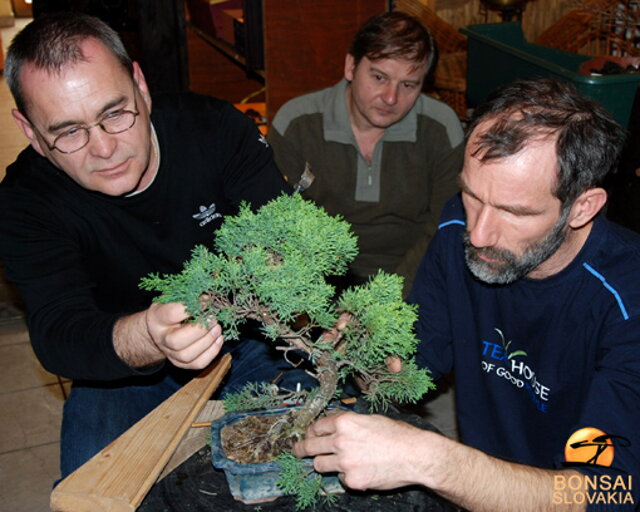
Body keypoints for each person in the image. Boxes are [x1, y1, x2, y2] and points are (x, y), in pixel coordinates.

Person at [294, 78, 640, 510]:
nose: (478, 234)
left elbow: (612, 492)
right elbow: (413, 372)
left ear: (583, 208)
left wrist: (431, 460)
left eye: (515, 212)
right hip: (472, 489)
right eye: (472, 195)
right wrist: (367, 349)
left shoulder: (627, 301)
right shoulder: (457, 224)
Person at [0, 12, 299, 481]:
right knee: (94, 489)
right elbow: (59, 334)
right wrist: (149, 335)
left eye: (114, 113)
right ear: (32, 133)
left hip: (252, 335)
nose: (103, 148)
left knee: (320, 456)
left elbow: (286, 237)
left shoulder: (216, 130)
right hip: (121, 369)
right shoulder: (26, 200)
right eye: (68, 132)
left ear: (140, 84)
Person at [267, 11, 464, 296]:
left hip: (414, 281)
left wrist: (382, 302)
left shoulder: (440, 128)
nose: (391, 98)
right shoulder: (296, 123)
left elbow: (444, 229)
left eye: (408, 85)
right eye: (379, 77)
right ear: (351, 67)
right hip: (317, 286)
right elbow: (276, 228)